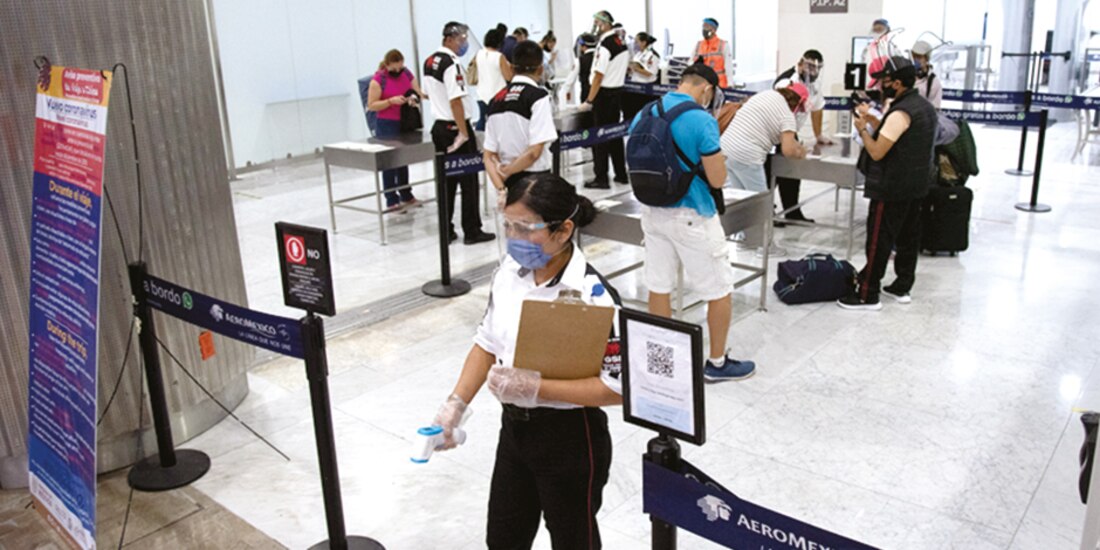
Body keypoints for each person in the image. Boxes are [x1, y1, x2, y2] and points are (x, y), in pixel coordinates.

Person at [429, 173, 622, 549]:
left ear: (564, 229)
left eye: (525, 228)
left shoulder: (592, 297)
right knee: (503, 538)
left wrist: (537, 388)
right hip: (515, 432)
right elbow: (486, 341)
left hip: (570, 437)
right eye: (508, 225)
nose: (513, 237)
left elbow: (617, 387)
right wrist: (455, 405)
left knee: (573, 540)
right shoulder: (508, 274)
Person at [629, 63, 756, 381]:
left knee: (659, 285)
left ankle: (662, 360)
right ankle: (716, 363)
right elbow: (717, 177)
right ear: (707, 89)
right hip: (692, 216)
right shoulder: (701, 120)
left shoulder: (645, 112)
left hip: (652, 212)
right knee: (718, 288)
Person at [839, 56, 937, 310]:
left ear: (897, 82)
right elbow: (900, 134)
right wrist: (872, 120)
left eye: (885, 81)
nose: (881, 85)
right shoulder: (923, 107)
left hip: (891, 187)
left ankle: (867, 294)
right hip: (916, 186)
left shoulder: (901, 111)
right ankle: (902, 285)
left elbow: (877, 151)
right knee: (908, 238)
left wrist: (861, 128)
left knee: (878, 239)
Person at [423, 21, 495, 245]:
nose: (463, 44)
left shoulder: (430, 60)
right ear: (448, 39)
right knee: (469, 182)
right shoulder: (451, 64)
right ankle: (472, 230)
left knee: (446, 183)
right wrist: (463, 133)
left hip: (440, 128)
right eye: (460, 40)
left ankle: (446, 229)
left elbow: (427, 93)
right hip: (456, 128)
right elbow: (455, 100)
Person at [483, 41, 558, 199]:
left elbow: (488, 156)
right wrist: (509, 169)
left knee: (513, 223)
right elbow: (534, 153)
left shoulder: (495, 100)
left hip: (507, 181)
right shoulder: (538, 97)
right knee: (537, 223)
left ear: (511, 67)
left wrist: (501, 188)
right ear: (540, 69)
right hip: (536, 181)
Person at [366, 49, 427, 212]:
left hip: (405, 121)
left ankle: (406, 193)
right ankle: (391, 198)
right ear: (387, 65)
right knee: (389, 161)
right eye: (394, 69)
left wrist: (417, 97)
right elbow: (372, 104)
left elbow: (417, 90)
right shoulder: (379, 80)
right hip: (387, 123)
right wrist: (389, 101)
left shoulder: (406, 73)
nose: (398, 71)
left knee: (403, 159)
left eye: (400, 67)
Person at [772, 50, 828, 224]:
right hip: (776, 129)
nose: (813, 71)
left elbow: (817, 107)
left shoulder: (813, 83)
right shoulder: (787, 81)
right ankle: (766, 213)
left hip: (792, 129)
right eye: (810, 66)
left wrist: (818, 135)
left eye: (817, 68)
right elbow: (781, 111)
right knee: (772, 174)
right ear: (801, 63)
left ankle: (792, 211)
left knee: (792, 173)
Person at [720, 84, 808, 193]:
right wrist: (800, 153)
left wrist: (796, 145)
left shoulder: (766, 94)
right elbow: (788, 150)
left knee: (739, 198)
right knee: (759, 201)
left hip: (725, 149)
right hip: (747, 155)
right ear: (797, 104)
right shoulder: (787, 116)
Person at [581, 10, 630, 189]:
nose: (595, 26)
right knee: (615, 135)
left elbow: (598, 76)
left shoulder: (605, 45)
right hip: (617, 93)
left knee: (600, 138)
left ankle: (601, 178)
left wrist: (589, 100)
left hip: (603, 96)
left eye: (597, 23)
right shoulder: (620, 42)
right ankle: (621, 173)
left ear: (605, 23)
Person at [475, 28, 513, 131]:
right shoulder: (499, 56)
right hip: (498, 95)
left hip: (481, 94)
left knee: (482, 121)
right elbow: (508, 77)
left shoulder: (478, 54)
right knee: (499, 125)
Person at [622, 31, 660, 121]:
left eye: (637, 42)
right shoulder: (638, 55)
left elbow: (650, 73)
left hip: (646, 90)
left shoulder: (652, 55)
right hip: (635, 87)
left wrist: (636, 69)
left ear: (644, 42)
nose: (635, 44)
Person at [691, 17, 734, 89]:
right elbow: (690, 62)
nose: (704, 29)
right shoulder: (698, 45)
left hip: (719, 85)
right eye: (703, 26)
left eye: (707, 26)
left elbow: (728, 66)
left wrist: (730, 83)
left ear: (713, 30)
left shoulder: (723, 45)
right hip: (703, 85)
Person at [564, 33, 597, 104]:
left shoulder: (580, 60)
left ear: (584, 47)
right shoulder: (600, 57)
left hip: (586, 96)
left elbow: (570, 80)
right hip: (602, 95)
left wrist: (564, 94)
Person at [911, 40, 943, 109]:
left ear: (927, 59)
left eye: (919, 57)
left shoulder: (933, 82)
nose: (915, 60)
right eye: (914, 56)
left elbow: (936, 109)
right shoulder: (907, 75)